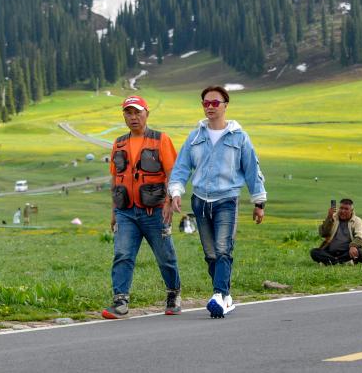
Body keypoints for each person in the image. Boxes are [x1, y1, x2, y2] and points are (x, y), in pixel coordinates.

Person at [168, 85, 266, 318]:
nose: (210, 107)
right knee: (210, 254)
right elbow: (181, 167)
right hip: (200, 201)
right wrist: (176, 192)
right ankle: (226, 298)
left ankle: (218, 295)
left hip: (226, 200)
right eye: (206, 103)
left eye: (215, 103)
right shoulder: (195, 136)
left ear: (225, 105)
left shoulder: (239, 137)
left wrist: (259, 202)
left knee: (223, 250)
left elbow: (252, 170)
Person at [101, 95, 181, 319]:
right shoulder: (118, 143)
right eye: (129, 113)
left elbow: (173, 174)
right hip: (125, 211)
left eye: (138, 112)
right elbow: (116, 179)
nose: (133, 117)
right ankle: (120, 302)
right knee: (122, 254)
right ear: (124, 116)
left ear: (147, 114)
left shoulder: (161, 140)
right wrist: (114, 211)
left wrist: (169, 202)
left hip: (155, 210)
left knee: (165, 257)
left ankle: (173, 294)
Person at [311, 199, 362, 265]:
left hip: (347, 252)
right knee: (314, 252)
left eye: (346, 209)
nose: (343, 211)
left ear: (351, 210)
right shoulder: (333, 217)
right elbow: (323, 233)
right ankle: (341, 262)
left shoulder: (357, 221)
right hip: (331, 252)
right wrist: (329, 218)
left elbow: (359, 237)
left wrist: (353, 246)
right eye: (341, 208)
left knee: (359, 252)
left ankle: (330, 262)